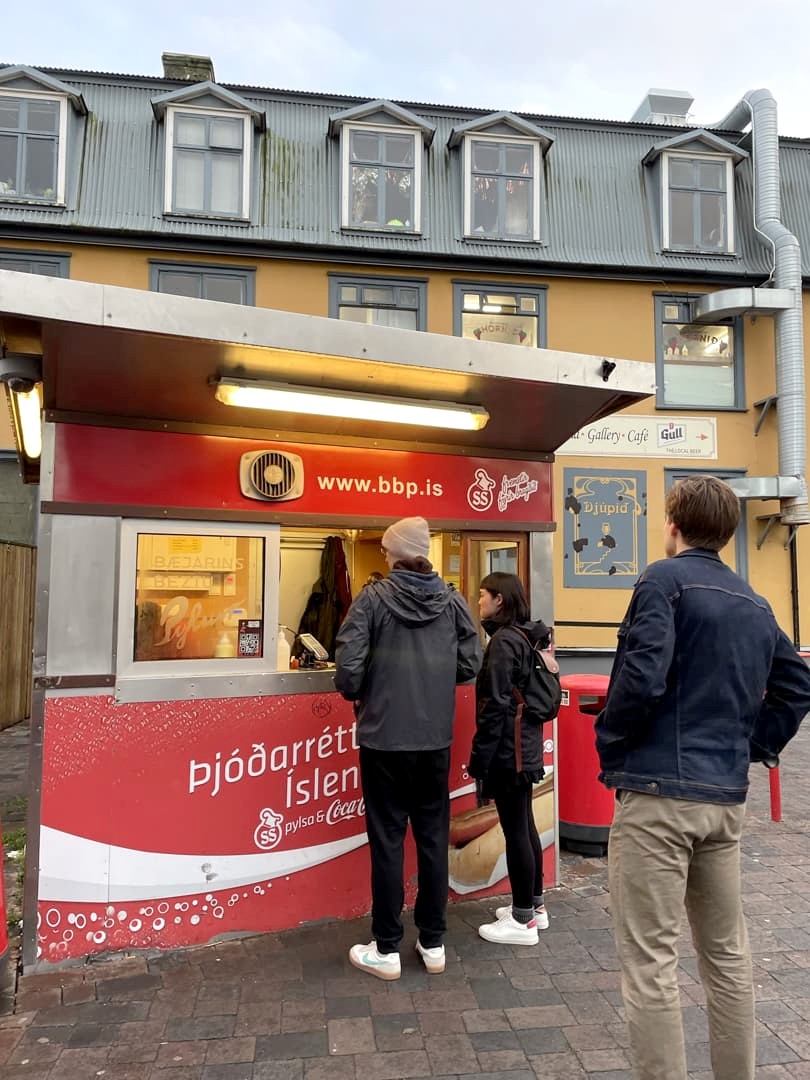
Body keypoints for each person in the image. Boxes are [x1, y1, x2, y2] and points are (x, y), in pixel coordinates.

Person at [595, 475, 810, 1080]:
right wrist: (753, 746)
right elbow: (798, 687)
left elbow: (641, 677)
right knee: (727, 957)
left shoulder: (662, 581)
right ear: (728, 532)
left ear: (673, 523)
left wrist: (610, 738)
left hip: (657, 796)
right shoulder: (755, 603)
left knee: (650, 961)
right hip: (723, 801)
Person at [334, 516, 482, 980]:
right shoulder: (453, 602)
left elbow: (347, 673)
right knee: (434, 839)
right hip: (434, 739)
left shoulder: (371, 600)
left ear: (396, 553)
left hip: (383, 739)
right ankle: (433, 942)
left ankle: (386, 947)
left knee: (388, 841)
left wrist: (370, 687)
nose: (383, 554)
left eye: (386, 549)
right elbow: (470, 663)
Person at [467, 572, 552, 945]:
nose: (479, 601)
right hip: (524, 745)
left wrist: (480, 760)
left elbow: (494, 706)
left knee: (516, 830)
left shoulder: (503, 642)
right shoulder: (525, 636)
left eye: (482, 595)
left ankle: (522, 920)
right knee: (525, 825)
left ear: (499, 599)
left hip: (508, 750)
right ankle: (535, 906)